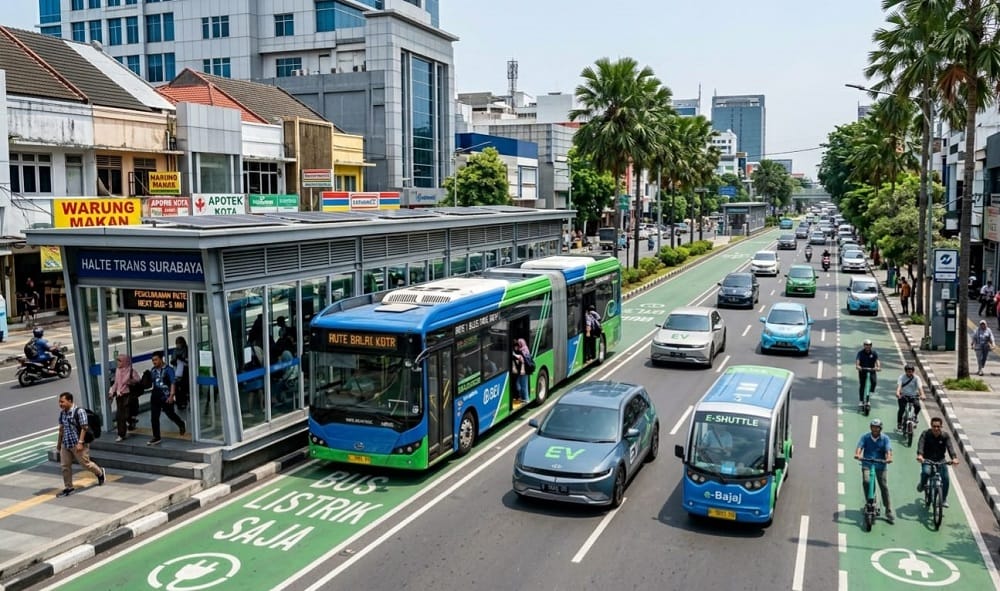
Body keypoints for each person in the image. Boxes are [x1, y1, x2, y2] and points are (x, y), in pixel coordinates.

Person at [55, 392, 105, 497]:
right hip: (66, 443)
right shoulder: (62, 413)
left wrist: (80, 442)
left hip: (77, 443)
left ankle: (100, 472)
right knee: (65, 466)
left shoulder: (79, 411)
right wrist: (59, 444)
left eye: (62, 401)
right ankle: (69, 487)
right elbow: (61, 429)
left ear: (69, 401)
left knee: (85, 464)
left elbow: (84, 427)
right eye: (59, 402)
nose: (60, 404)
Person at [854, 419, 894, 524]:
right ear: (870, 428)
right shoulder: (865, 437)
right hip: (867, 463)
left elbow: (888, 450)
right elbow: (859, 447)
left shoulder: (885, 438)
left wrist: (889, 457)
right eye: (873, 427)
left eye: (877, 427)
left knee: (883, 486)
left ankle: (888, 510)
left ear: (880, 428)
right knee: (866, 481)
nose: (875, 429)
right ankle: (869, 502)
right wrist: (858, 454)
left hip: (880, 465)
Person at [916, 417, 959, 508]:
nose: (936, 428)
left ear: (941, 426)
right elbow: (921, 444)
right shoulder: (926, 434)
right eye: (934, 426)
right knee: (926, 472)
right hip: (927, 459)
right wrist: (920, 455)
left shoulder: (945, 436)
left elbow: (950, 447)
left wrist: (954, 458)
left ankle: (943, 499)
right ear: (931, 426)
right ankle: (922, 484)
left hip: (941, 460)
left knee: (946, 479)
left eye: (938, 426)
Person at [147, 350, 185, 445]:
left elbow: (173, 383)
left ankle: (181, 424)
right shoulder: (153, 370)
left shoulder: (169, 370)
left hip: (166, 396)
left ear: (161, 359)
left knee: (170, 414)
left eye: (156, 360)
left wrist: (172, 395)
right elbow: (152, 382)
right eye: (153, 360)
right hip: (155, 395)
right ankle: (156, 437)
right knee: (154, 417)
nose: (154, 362)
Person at [107, 353, 140, 442]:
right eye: (117, 360)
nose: (118, 363)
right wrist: (111, 392)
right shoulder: (118, 370)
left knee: (124, 415)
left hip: (128, 395)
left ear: (125, 362)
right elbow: (116, 383)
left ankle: (131, 421)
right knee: (120, 416)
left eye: (120, 361)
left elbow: (138, 380)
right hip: (119, 396)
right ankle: (122, 434)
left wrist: (131, 381)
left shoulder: (131, 371)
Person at [895, 364, 924, 432]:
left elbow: (920, 388)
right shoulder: (901, 377)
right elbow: (899, 386)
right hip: (903, 395)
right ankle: (899, 423)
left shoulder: (917, 378)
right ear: (905, 371)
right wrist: (898, 393)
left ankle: (915, 416)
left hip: (913, 396)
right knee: (901, 409)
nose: (909, 373)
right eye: (908, 371)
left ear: (913, 371)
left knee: (917, 406)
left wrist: (922, 394)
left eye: (911, 371)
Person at [855, 339, 881, 408]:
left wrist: (878, 367)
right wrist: (858, 366)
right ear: (864, 345)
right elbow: (858, 360)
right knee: (862, 385)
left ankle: (869, 395)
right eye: (866, 345)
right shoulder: (860, 353)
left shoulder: (874, 353)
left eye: (869, 345)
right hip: (863, 370)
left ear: (871, 346)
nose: (868, 346)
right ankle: (861, 401)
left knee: (874, 382)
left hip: (872, 370)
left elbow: (877, 360)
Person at [170, 336, 189, 410]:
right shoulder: (175, 351)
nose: (178, 345)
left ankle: (184, 402)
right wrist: (175, 361)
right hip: (177, 371)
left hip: (185, 371)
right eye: (177, 343)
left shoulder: (186, 350)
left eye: (179, 343)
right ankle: (179, 403)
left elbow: (188, 360)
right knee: (177, 387)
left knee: (184, 387)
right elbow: (172, 361)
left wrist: (182, 359)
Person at [512, 338, 531, 403]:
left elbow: (521, 360)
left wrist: (514, 355)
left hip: (523, 371)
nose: (518, 345)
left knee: (523, 386)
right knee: (523, 385)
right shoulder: (526, 349)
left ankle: (526, 399)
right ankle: (524, 398)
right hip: (524, 371)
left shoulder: (521, 351)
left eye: (519, 344)